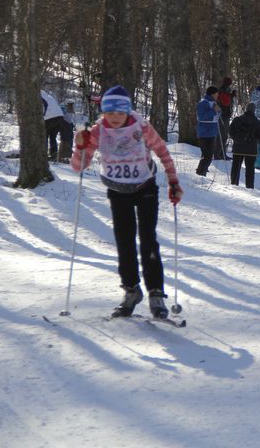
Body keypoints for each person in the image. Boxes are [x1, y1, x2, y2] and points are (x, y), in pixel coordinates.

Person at [71, 85, 183, 319]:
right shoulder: (98, 131)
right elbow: (79, 167)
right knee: (124, 241)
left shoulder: (140, 128)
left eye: (120, 113)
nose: (114, 118)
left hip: (145, 187)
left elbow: (162, 151)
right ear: (103, 112)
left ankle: (156, 293)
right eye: (110, 113)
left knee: (147, 239)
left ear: (127, 112)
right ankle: (131, 290)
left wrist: (173, 181)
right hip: (117, 190)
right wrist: (79, 146)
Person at [228, 103, 260, 189]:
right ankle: (249, 186)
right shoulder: (257, 122)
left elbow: (231, 131)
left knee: (236, 167)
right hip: (251, 149)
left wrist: (236, 139)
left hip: (238, 147)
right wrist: (256, 142)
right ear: (254, 110)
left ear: (246, 109)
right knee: (250, 169)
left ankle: (234, 183)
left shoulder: (237, 120)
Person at [196, 86, 220, 176]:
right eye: (217, 94)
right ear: (212, 94)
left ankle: (202, 171)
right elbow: (202, 116)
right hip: (204, 132)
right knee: (207, 156)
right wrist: (214, 110)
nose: (218, 95)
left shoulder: (214, 102)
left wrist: (218, 111)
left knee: (208, 155)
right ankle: (200, 172)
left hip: (212, 132)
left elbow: (217, 113)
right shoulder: (203, 103)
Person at [215, 76, 236, 159]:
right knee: (223, 135)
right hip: (223, 115)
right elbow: (226, 102)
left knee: (223, 135)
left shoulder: (224, 90)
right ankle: (219, 154)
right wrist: (231, 96)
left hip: (224, 115)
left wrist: (231, 95)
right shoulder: (223, 90)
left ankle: (221, 153)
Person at [41, 90, 65, 161]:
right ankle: (53, 154)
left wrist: (43, 115)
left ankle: (43, 155)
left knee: (44, 136)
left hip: (49, 119)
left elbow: (44, 107)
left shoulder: (39, 97)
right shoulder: (49, 97)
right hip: (60, 117)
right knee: (53, 137)